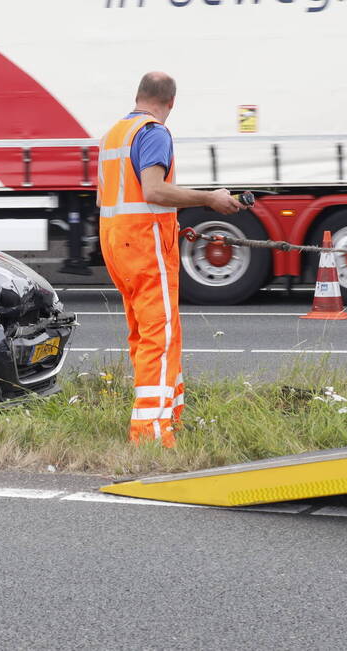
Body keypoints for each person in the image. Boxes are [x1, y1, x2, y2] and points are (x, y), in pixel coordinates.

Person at [97, 71, 250, 447]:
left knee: (146, 334)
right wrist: (210, 199)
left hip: (118, 243)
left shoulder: (115, 133)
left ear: (138, 95)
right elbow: (153, 190)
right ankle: (151, 435)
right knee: (160, 337)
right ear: (171, 103)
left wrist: (171, 223)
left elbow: (117, 198)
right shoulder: (154, 133)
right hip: (145, 247)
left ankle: (168, 418)